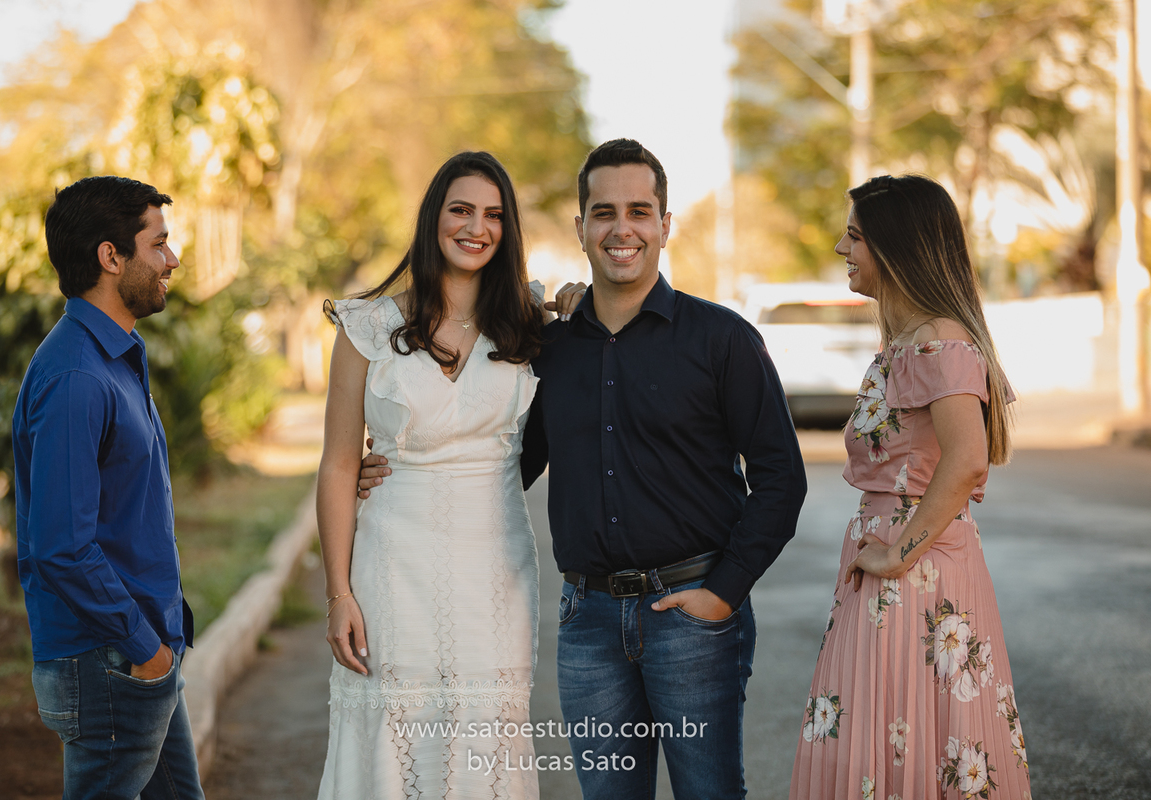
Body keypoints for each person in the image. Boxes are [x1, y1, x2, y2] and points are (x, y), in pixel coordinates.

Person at [361, 139, 809, 799]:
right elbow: (502, 462)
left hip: (692, 617)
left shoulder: (722, 339)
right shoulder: (549, 348)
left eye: (639, 211)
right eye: (604, 213)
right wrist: (397, 475)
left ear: (664, 225)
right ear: (580, 228)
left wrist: (723, 593)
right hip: (588, 625)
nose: (622, 229)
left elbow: (781, 478)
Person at [318, 151, 570, 798]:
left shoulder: (532, 323)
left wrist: (581, 301)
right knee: (392, 729)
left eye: (493, 215)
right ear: (433, 218)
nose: (476, 227)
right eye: (461, 210)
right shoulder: (368, 327)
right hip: (391, 564)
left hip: (495, 568)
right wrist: (339, 593)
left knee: (487, 737)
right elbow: (340, 464)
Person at [789, 174, 1029, 800]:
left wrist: (898, 553)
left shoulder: (939, 340)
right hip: (893, 561)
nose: (842, 248)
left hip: (918, 571)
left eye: (855, 236)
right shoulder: (907, 341)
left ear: (897, 247)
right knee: (885, 734)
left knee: (910, 736)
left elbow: (968, 461)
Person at [13, 176, 203, 799]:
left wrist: (160, 644)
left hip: (139, 656)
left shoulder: (112, 356)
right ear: (110, 257)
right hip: (110, 663)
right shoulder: (76, 375)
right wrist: (146, 650)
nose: (172, 259)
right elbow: (62, 546)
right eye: (159, 244)